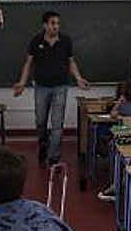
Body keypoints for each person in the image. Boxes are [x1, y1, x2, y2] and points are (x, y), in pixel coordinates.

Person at [12, 11, 90, 166]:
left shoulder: (66, 41)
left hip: (60, 87)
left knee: (57, 123)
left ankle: (53, 156)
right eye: (53, 23)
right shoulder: (36, 40)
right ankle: (43, 144)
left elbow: (71, 62)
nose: (56, 26)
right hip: (41, 87)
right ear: (45, 25)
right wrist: (22, 82)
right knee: (40, 121)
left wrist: (78, 78)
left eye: (58, 23)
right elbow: (28, 63)